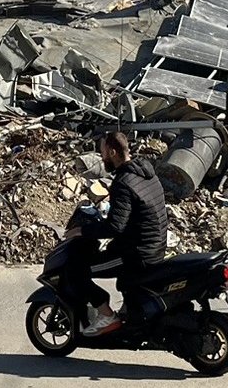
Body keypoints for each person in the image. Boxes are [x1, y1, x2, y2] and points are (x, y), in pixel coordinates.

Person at [67, 130, 169, 336]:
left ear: (113, 152)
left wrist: (81, 231)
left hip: (136, 255)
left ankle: (106, 315)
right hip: (156, 246)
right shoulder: (146, 173)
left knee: (76, 272)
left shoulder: (123, 183)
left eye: (103, 152)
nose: (102, 157)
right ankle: (128, 310)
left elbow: (115, 227)